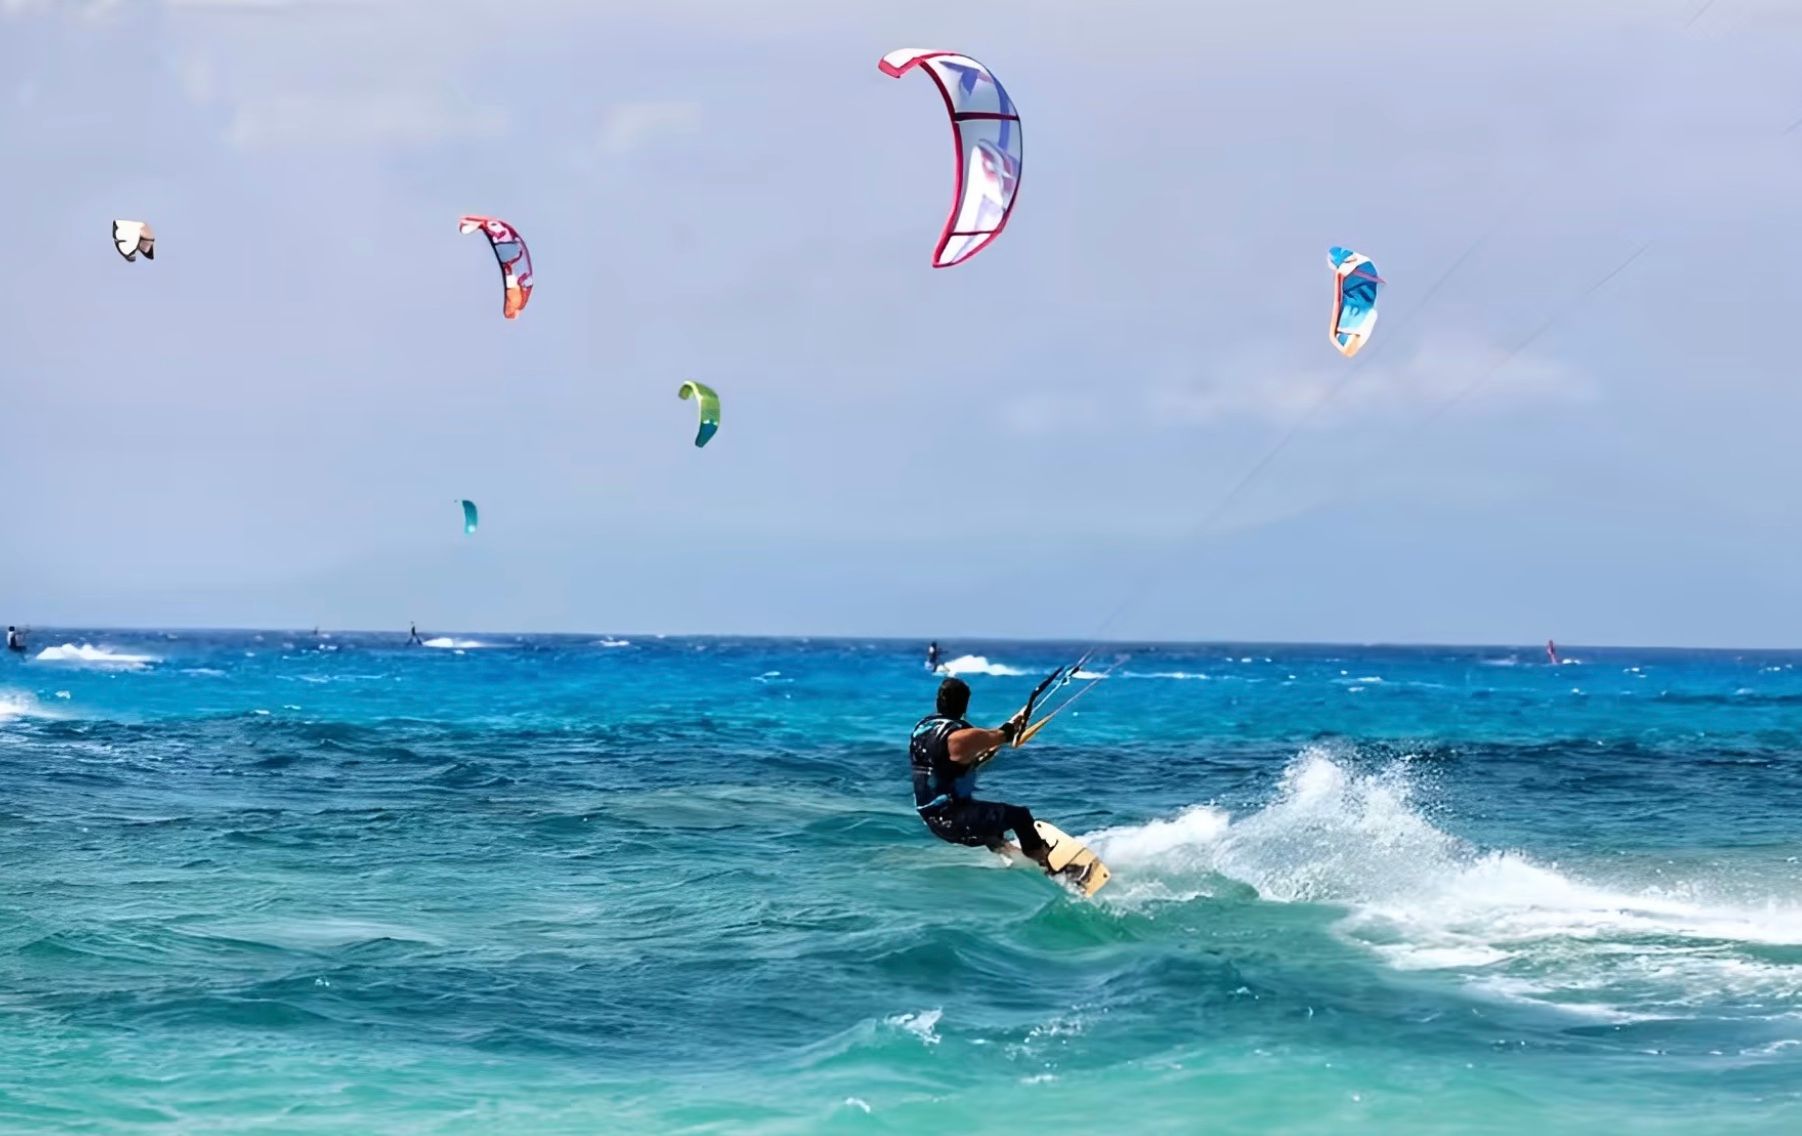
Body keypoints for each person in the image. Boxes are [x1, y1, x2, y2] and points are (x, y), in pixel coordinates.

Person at [909, 676, 1051, 867]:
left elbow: (948, 768)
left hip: (934, 822)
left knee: (988, 824)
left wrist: (982, 757)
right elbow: (1003, 735)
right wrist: (1019, 718)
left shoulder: (921, 730)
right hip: (956, 821)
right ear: (964, 705)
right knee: (1020, 816)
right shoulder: (962, 737)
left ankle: (1007, 851)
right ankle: (1042, 861)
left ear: (938, 702)